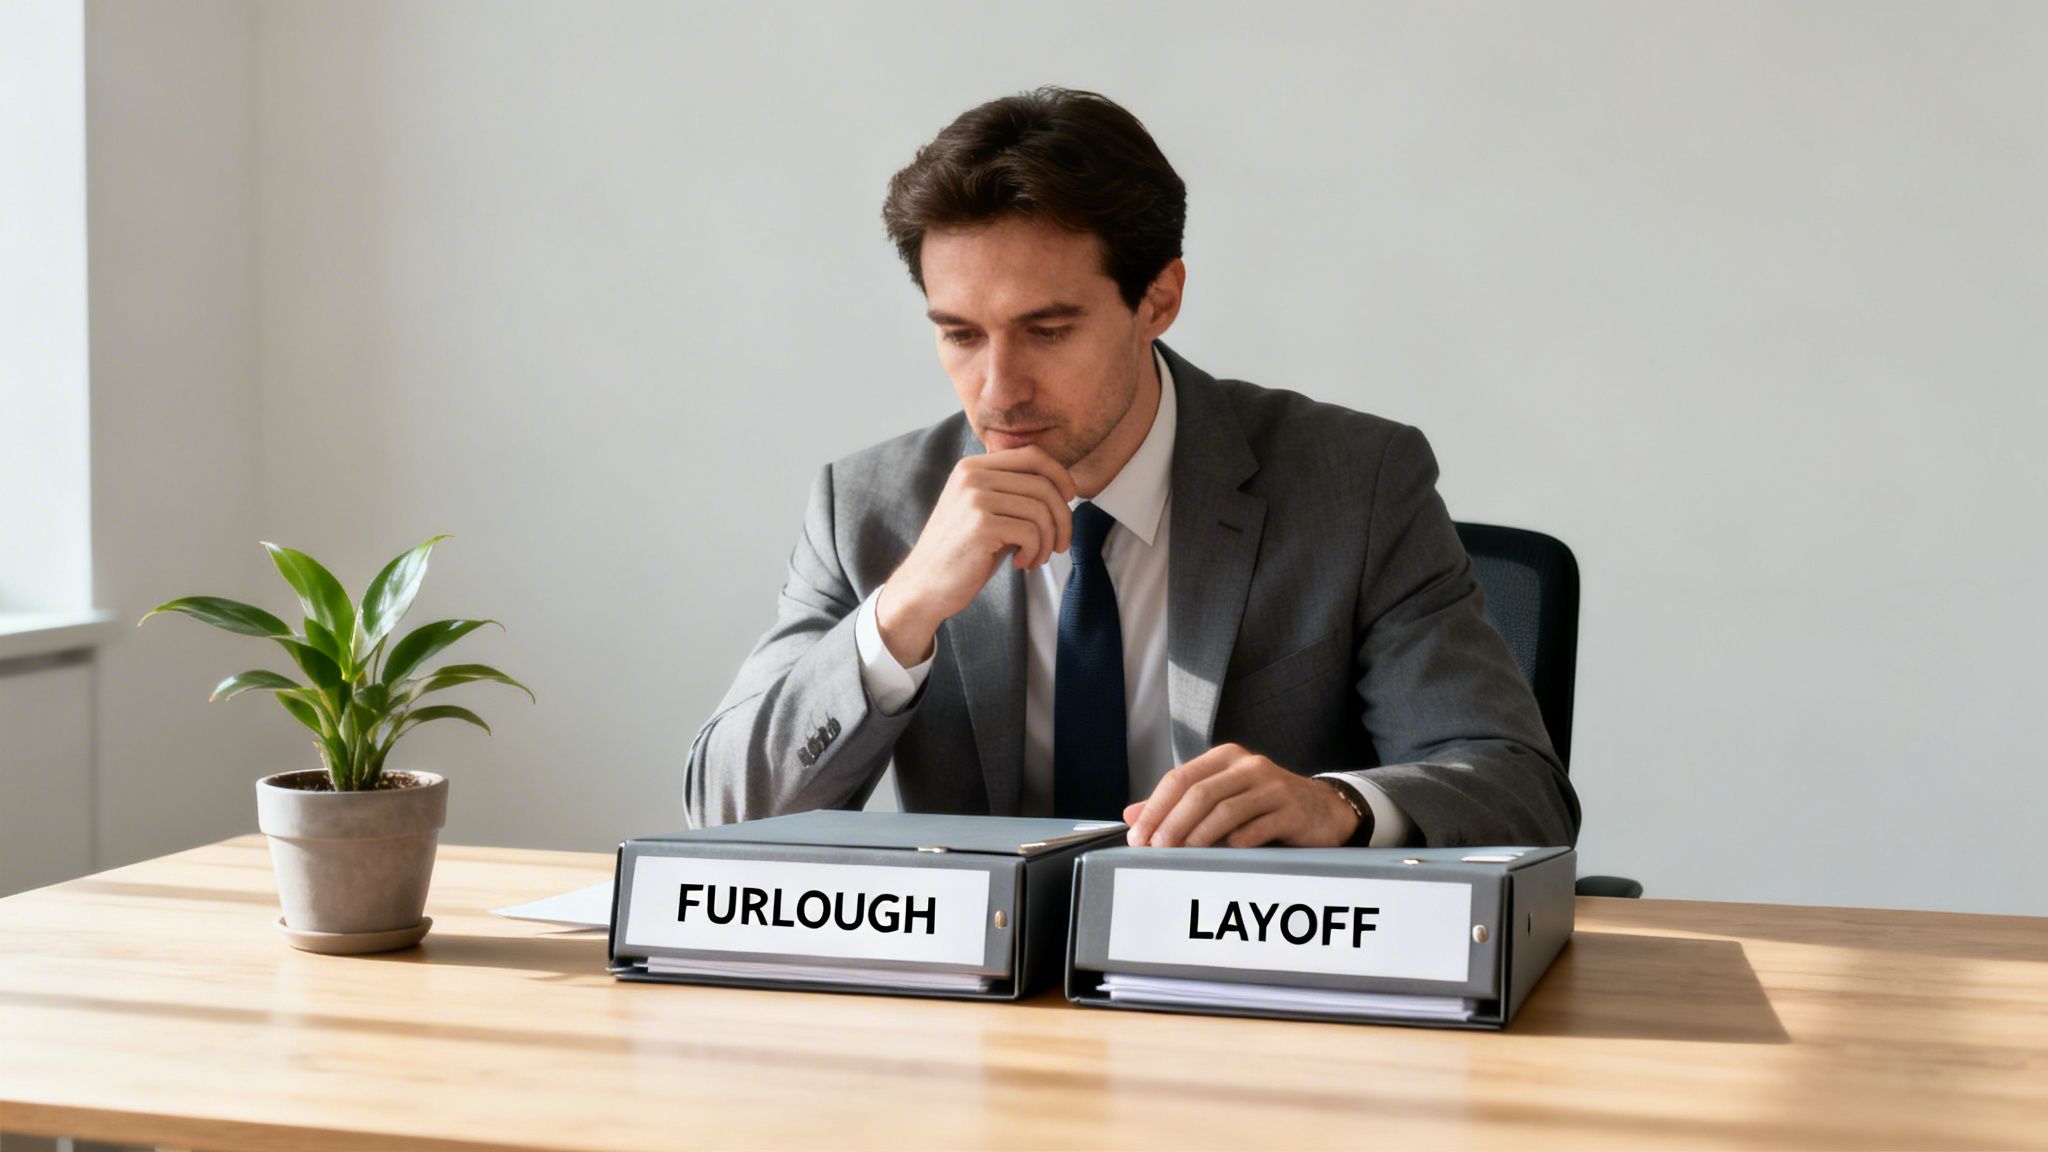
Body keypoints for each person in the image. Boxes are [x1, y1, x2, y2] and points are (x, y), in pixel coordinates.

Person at [685, 88, 1579, 849]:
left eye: (1048, 330)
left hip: (1251, 999)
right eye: (959, 334)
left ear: (1160, 300)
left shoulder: (1357, 482)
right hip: (981, 1013)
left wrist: (1338, 804)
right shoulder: (869, 508)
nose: (997, 388)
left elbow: (1520, 790)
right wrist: (903, 611)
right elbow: (726, 810)